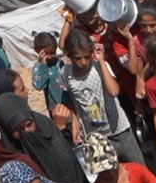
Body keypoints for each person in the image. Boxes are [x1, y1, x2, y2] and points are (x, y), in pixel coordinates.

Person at [61, 29, 146, 164]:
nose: (84, 62)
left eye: (87, 57)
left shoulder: (100, 67)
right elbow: (73, 103)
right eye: (78, 58)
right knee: (107, 173)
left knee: (137, 165)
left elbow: (114, 91)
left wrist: (101, 61)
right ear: (69, 56)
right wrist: (75, 127)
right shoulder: (66, 73)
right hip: (94, 137)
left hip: (118, 131)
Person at [0, 94, 86, 183]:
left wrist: (60, 131)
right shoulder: (12, 156)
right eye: (18, 129)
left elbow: (64, 157)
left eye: (29, 124)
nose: (26, 131)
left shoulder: (45, 128)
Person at [32, 31, 67, 115]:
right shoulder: (38, 68)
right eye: (46, 54)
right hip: (55, 107)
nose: (50, 56)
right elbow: (39, 86)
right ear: (37, 51)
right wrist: (42, 66)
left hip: (68, 102)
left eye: (53, 52)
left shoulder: (59, 62)